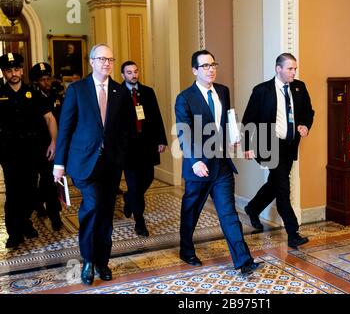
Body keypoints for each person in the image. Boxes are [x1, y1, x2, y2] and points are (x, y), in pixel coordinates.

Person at [53, 44, 134, 285]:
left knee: (107, 212)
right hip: (83, 162)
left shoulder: (121, 92)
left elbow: (127, 130)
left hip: (111, 164)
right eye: (101, 59)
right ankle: (88, 259)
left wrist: (122, 155)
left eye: (110, 59)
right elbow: (65, 128)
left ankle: (102, 261)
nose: (106, 63)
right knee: (93, 206)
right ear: (91, 62)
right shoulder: (77, 90)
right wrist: (59, 163)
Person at [175, 50, 260, 275]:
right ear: (194, 70)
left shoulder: (223, 91)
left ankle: (243, 260)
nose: (210, 69)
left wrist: (238, 141)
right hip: (199, 167)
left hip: (221, 164)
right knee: (191, 211)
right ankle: (186, 249)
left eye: (213, 64)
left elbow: (229, 121)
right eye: (205, 66)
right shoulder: (185, 98)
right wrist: (194, 161)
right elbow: (184, 133)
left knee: (228, 213)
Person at [241, 52, 315, 249]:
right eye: (290, 69)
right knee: (283, 187)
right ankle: (293, 233)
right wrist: (247, 146)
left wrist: (305, 126)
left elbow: (309, 112)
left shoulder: (299, 87)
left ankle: (253, 207)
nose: (293, 72)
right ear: (278, 69)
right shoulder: (261, 91)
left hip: (289, 145)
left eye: (295, 69)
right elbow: (248, 120)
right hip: (270, 147)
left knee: (275, 183)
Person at [0, 53, 58, 248]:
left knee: (31, 192)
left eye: (16, 69)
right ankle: (14, 232)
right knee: (14, 192)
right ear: (4, 73)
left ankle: (25, 223)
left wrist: (53, 142)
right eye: (9, 70)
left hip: (33, 152)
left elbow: (50, 118)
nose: (13, 73)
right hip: (9, 153)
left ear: (22, 70)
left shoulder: (32, 93)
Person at [120, 61, 167, 236]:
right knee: (133, 184)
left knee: (148, 178)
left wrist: (161, 140)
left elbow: (156, 116)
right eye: (129, 72)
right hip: (128, 148)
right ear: (123, 75)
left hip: (147, 144)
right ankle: (140, 222)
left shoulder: (147, 92)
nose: (133, 75)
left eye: (136, 71)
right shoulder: (118, 93)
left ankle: (129, 198)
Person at [29, 62, 63, 231]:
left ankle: (41, 203)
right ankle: (54, 215)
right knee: (46, 180)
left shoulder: (56, 93)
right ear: (36, 82)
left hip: (57, 142)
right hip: (40, 144)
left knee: (50, 180)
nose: (47, 82)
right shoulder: (32, 96)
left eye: (48, 78)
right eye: (43, 80)